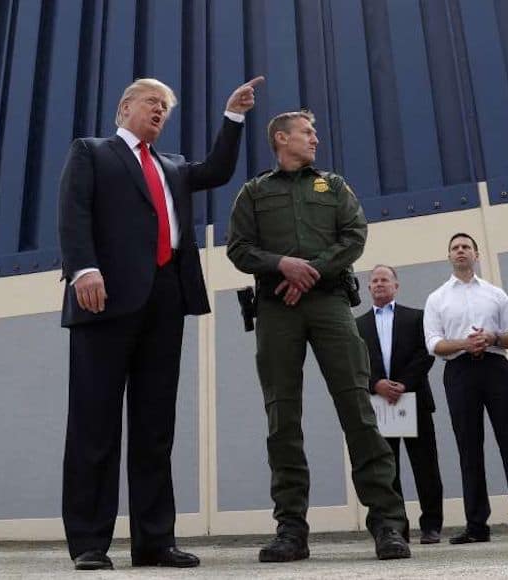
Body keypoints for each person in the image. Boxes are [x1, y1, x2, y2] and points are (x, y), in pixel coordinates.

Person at [58, 76, 263, 571]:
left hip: (165, 302)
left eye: (166, 108)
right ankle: (89, 542)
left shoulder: (172, 166)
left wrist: (233, 116)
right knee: (95, 425)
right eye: (153, 103)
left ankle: (154, 541)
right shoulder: (92, 152)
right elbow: (74, 211)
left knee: (155, 428)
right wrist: (83, 269)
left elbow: (216, 170)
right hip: (103, 298)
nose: (160, 112)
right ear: (125, 106)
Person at [226, 111, 411, 562]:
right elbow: (238, 248)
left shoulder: (334, 185)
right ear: (280, 138)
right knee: (282, 417)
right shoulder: (254, 192)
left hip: (329, 303)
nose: (315, 139)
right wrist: (281, 266)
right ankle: (291, 529)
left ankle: (388, 523)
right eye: (307, 133)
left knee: (357, 408)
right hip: (276, 310)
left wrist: (311, 272)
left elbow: (354, 235)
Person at [423, 233, 508, 544]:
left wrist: (491, 338)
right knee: (469, 448)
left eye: (466, 247)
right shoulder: (437, 298)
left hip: (496, 368)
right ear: (449, 256)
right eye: (455, 247)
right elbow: (434, 343)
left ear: (476, 254)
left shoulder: (495, 294)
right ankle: (476, 525)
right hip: (459, 371)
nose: (461, 251)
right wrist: (466, 343)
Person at [355, 264, 444, 544]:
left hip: (414, 399)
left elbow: (425, 354)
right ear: (369, 288)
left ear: (396, 286)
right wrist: (377, 384)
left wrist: (403, 383)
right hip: (380, 405)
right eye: (375, 281)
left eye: (385, 280)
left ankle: (431, 526)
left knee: (425, 466)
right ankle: (396, 527)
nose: (380, 284)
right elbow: (355, 362)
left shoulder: (416, 317)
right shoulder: (357, 325)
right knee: (387, 470)